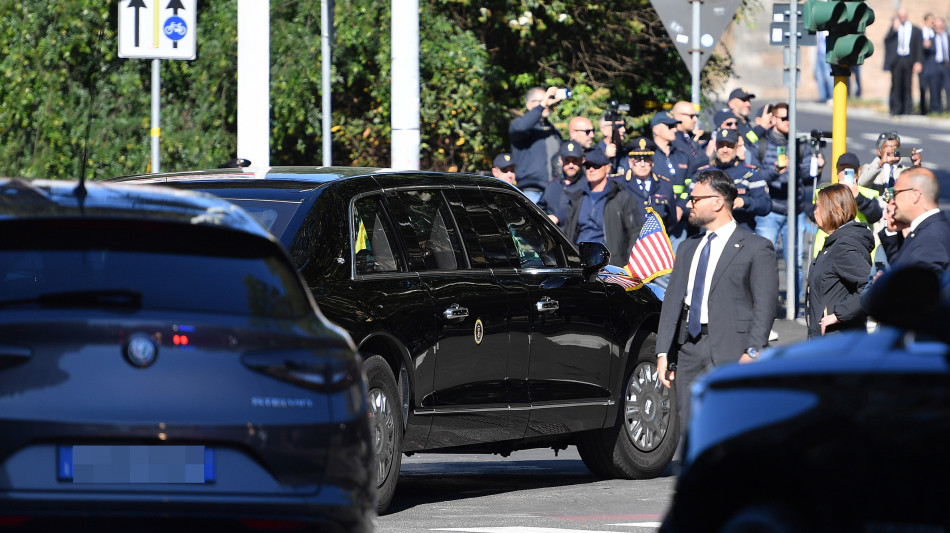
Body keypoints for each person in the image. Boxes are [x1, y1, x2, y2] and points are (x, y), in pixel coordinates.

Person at [655, 169, 778, 429]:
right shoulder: (688, 247)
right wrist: (664, 351)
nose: (689, 204)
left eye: (695, 199)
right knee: (689, 427)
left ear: (717, 202)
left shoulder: (756, 247)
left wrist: (753, 351)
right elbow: (673, 301)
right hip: (689, 348)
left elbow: (765, 305)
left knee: (730, 425)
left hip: (733, 350)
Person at [805, 184, 874, 339]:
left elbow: (869, 286)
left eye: (817, 207)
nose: (813, 212)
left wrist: (838, 314)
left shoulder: (843, 246)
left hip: (837, 341)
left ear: (830, 211)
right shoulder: (835, 242)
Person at [563, 149, 642, 268]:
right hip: (580, 261)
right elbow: (569, 232)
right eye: (588, 166)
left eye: (596, 165)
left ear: (607, 168)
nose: (591, 169)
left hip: (610, 262)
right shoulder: (577, 197)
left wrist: (628, 265)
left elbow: (635, 233)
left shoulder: (622, 197)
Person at [691, 128, 771, 231]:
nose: (725, 150)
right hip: (709, 235)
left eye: (729, 146)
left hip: (741, 236)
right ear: (715, 148)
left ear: (736, 148)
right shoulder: (702, 174)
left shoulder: (750, 173)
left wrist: (744, 201)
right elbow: (688, 202)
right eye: (721, 145)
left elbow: (766, 205)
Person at [879, 167, 950, 275]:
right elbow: (904, 271)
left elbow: (918, 289)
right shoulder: (926, 230)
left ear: (915, 195)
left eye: (896, 193)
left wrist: (885, 288)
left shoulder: (931, 239)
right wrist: (892, 234)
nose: (892, 201)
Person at [509, 86, 565, 202]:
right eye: (540, 101)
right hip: (531, 191)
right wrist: (543, 104)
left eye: (547, 100)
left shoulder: (553, 131)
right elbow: (521, 127)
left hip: (553, 191)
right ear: (529, 105)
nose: (546, 104)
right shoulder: (520, 125)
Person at [616, 137, 677, 232]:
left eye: (646, 159)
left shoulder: (665, 185)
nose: (642, 164)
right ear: (630, 163)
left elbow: (671, 220)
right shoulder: (619, 184)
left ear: (652, 162)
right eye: (637, 160)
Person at [884, 8, 923, 116]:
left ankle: (908, 109)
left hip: (909, 59)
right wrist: (893, 30)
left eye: (904, 16)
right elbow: (886, 41)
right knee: (896, 85)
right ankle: (896, 108)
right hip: (897, 60)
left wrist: (918, 62)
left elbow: (918, 47)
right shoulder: (895, 28)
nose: (902, 18)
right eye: (900, 16)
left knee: (908, 85)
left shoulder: (915, 29)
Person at [538, 141, 586, 229]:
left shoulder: (587, 186)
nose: (571, 165)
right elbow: (540, 209)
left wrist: (557, 217)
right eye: (567, 161)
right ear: (561, 161)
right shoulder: (552, 185)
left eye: (575, 161)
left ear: (582, 160)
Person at [857, 131, 923, 195]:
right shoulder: (869, 168)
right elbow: (862, 183)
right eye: (888, 148)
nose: (892, 151)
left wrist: (916, 165)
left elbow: (919, 186)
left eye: (896, 148)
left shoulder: (905, 171)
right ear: (879, 152)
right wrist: (880, 163)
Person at [923, 17, 950, 114]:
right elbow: (924, 53)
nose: (938, 28)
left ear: (944, 26)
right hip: (935, 67)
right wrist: (926, 46)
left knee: (948, 88)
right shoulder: (931, 39)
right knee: (935, 89)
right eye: (936, 26)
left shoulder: (948, 37)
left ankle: (948, 109)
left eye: (940, 26)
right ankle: (936, 110)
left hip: (946, 66)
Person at [596, 112, 630, 177]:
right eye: (618, 126)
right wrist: (604, 157)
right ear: (604, 130)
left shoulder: (626, 154)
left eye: (624, 126)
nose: (623, 130)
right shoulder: (594, 153)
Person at [920, 13, 936, 115]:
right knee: (922, 87)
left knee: (934, 87)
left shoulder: (935, 33)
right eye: (931, 20)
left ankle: (933, 108)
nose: (932, 22)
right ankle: (923, 109)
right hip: (923, 64)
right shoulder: (920, 32)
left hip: (933, 64)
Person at [815, 31, 835, 104]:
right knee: (819, 75)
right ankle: (823, 97)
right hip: (819, 54)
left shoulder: (826, 30)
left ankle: (832, 97)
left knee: (828, 76)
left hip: (826, 54)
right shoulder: (819, 31)